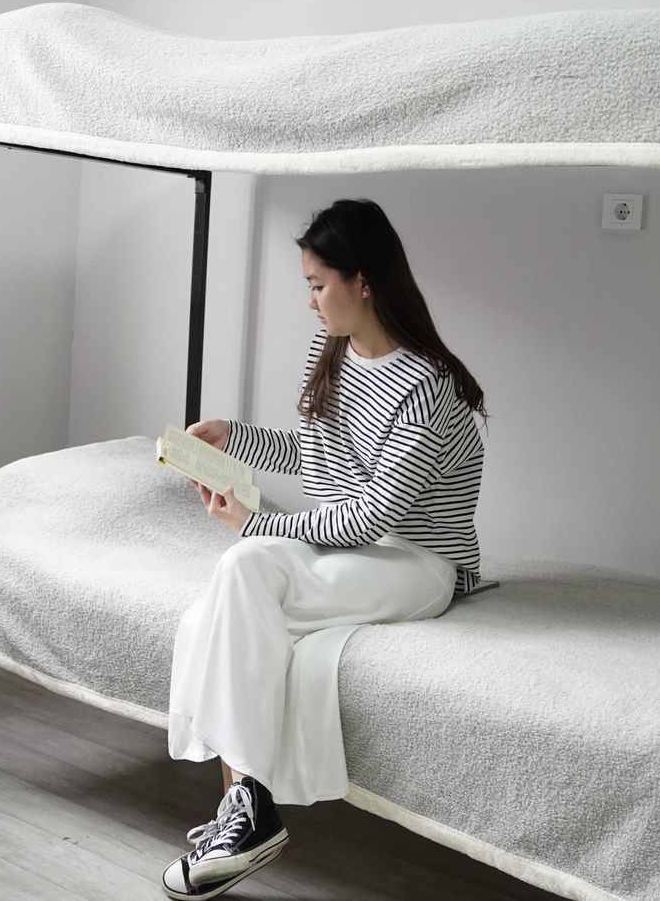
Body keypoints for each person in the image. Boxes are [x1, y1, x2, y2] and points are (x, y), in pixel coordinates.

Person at [161, 198, 487, 900]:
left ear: (362, 281)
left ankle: (246, 816)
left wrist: (254, 523)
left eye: (317, 284)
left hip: (415, 562)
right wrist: (234, 438)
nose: (310, 301)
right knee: (239, 575)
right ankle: (248, 809)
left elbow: (373, 517)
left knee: (241, 570)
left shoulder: (427, 387)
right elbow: (317, 458)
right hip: (344, 546)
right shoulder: (331, 351)